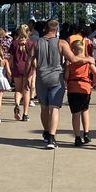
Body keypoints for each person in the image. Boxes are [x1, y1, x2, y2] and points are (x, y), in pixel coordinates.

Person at [31, 19, 74, 149]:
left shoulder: (37, 43)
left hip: (41, 78)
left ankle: (46, 132)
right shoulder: (61, 43)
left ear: (45, 29)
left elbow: (29, 62)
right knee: (54, 108)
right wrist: (87, 59)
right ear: (56, 30)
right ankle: (51, 137)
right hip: (56, 78)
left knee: (44, 108)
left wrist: (27, 78)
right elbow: (72, 58)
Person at [65, 39, 96, 146]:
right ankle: (86, 134)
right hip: (85, 87)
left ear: (73, 50)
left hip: (73, 88)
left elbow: (65, 77)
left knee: (76, 114)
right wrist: (93, 83)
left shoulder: (69, 62)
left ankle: (77, 137)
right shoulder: (88, 61)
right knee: (85, 110)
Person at [9, 24, 35, 122]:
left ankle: (16, 105)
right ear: (28, 32)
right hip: (27, 69)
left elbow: (10, 58)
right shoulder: (30, 44)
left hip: (17, 68)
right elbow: (33, 59)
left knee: (18, 90)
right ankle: (25, 114)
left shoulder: (14, 43)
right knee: (26, 91)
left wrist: (9, 70)